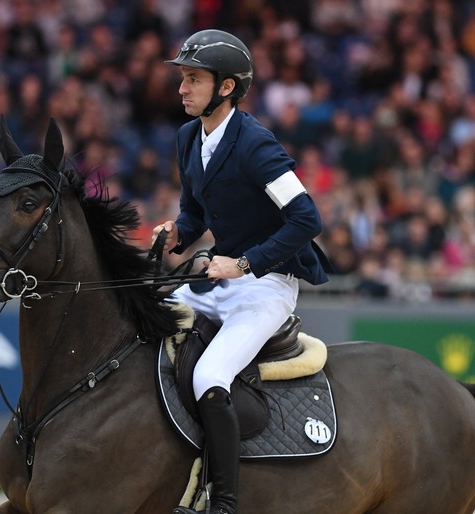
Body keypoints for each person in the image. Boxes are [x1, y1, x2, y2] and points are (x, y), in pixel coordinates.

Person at [154, 29, 332, 514]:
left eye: (193, 79)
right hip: (218, 276)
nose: (182, 89)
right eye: (183, 79)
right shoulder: (189, 136)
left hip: (266, 284)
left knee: (210, 374)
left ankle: (224, 502)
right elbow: (195, 210)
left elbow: (306, 219)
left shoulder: (257, 145)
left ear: (226, 87)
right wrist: (177, 233)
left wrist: (247, 264)